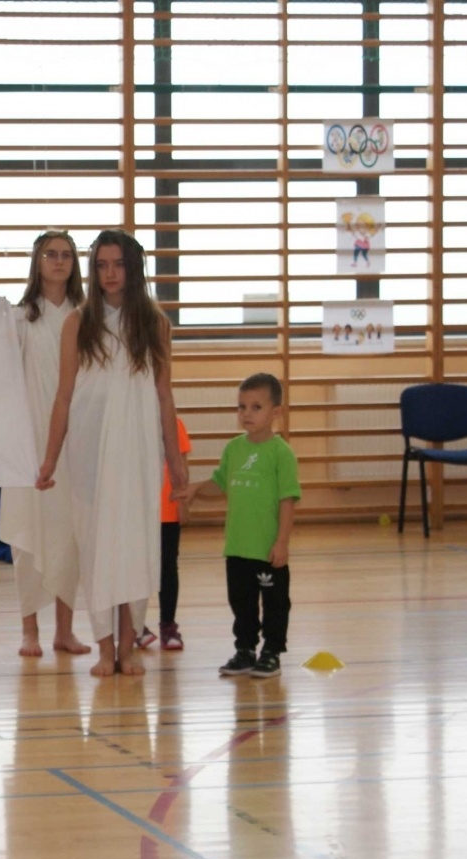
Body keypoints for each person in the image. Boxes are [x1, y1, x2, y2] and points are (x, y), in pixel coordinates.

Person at [37, 229, 186, 678]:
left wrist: (176, 461)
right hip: (88, 447)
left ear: (133, 268)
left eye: (118, 265)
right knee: (98, 546)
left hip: (139, 448)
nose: (109, 274)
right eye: (101, 266)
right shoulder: (77, 322)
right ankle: (105, 647)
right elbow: (63, 396)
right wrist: (49, 458)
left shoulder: (155, 324)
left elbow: (163, 394)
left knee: (137, 546)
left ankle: (129, 644)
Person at [0, 230, 90, 658]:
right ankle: (29, 630)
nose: (58, 261)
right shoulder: (19, 318)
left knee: (68, 536)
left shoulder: (87, 317)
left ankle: (64, 631)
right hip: (27, 440)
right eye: (50, 254)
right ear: (37, 262)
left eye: (66, 255)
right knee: (27, 535)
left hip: (74, 439)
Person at [177, 373, 300, 679]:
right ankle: (245, 650)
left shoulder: (281, 453)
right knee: (242, 605)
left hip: (267, 549)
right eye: (242, 407)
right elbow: (220, 485)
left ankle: (271, 652)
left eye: (256, 407)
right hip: (237, 547)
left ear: (275, 413)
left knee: (274, 605)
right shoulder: (234, 449)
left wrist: (281, 542)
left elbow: (288, 501)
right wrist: (196, 489)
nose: (247, 413)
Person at [154, 415, 192, 650]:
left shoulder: (174, 424)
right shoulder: (129, 419)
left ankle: (168, 624)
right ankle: (133, 626)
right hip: (137, 512)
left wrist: (183, 504)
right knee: (135, 568)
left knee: (168, 567)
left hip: (167, 509)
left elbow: (183, 465)